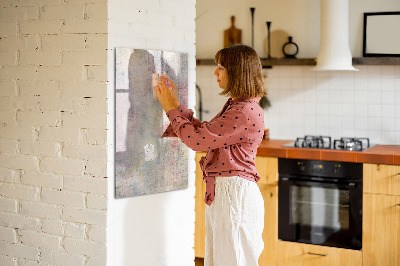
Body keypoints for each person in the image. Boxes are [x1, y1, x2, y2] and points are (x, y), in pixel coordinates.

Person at [153, 44, 266, 266]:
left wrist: (169, 108)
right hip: (228, 193)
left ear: (237, 71)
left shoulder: (243, 111)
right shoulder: (239, 106)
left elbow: (197, 141)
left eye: (221, 67)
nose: (215, 72)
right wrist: (175, 104)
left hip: (234, 195)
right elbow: (205, 134)